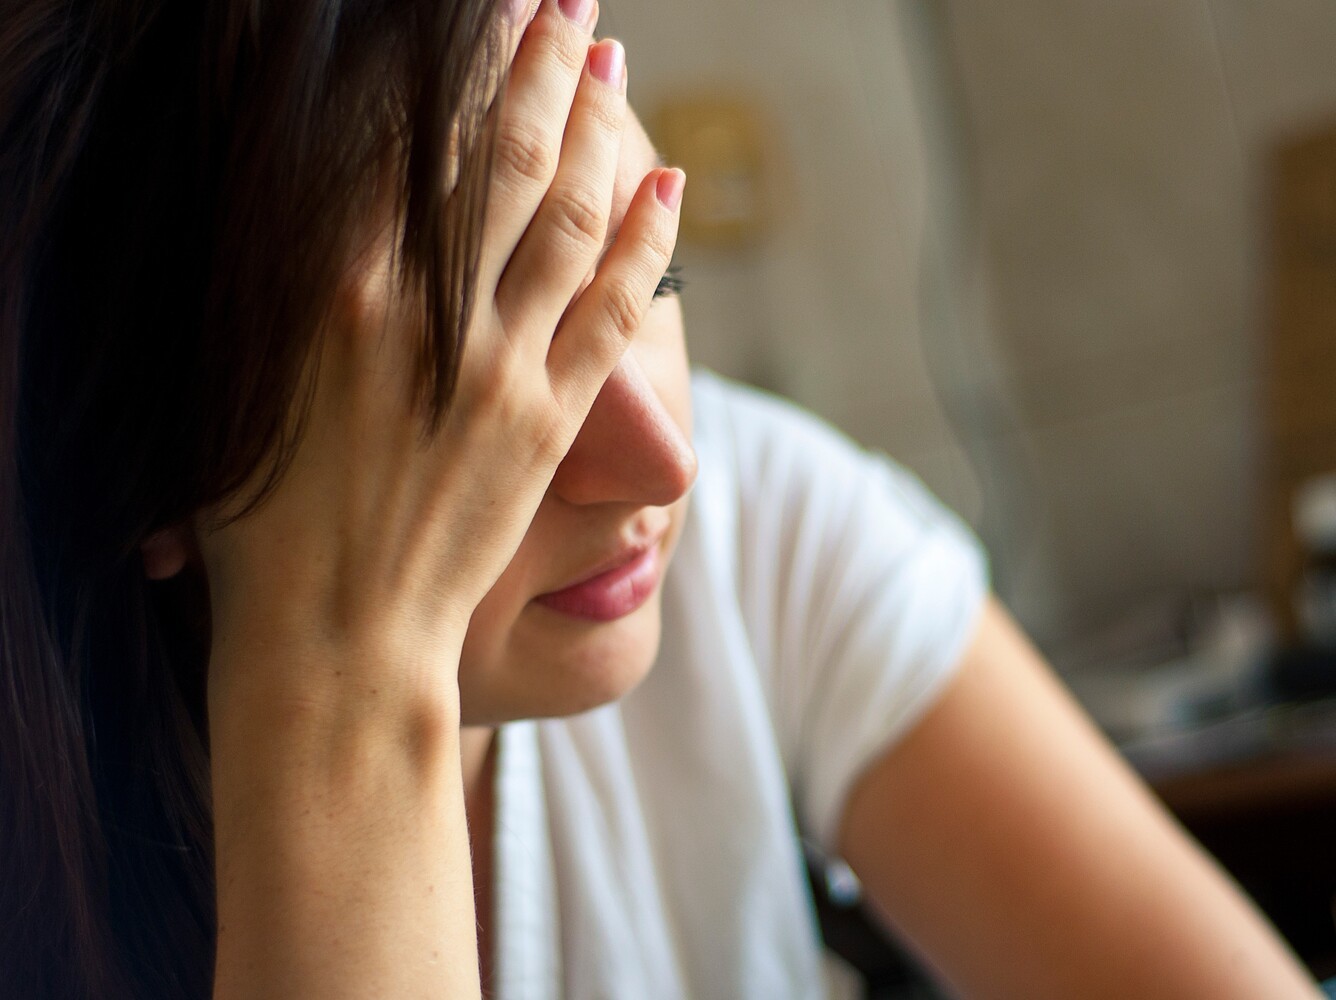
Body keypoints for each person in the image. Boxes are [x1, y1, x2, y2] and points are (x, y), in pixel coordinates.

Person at [0, 0, 1325, 997]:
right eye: (476, 385)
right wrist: (344, 676)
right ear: (149, 476)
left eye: (652, 289)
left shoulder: (755, 517)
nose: (662, 463)